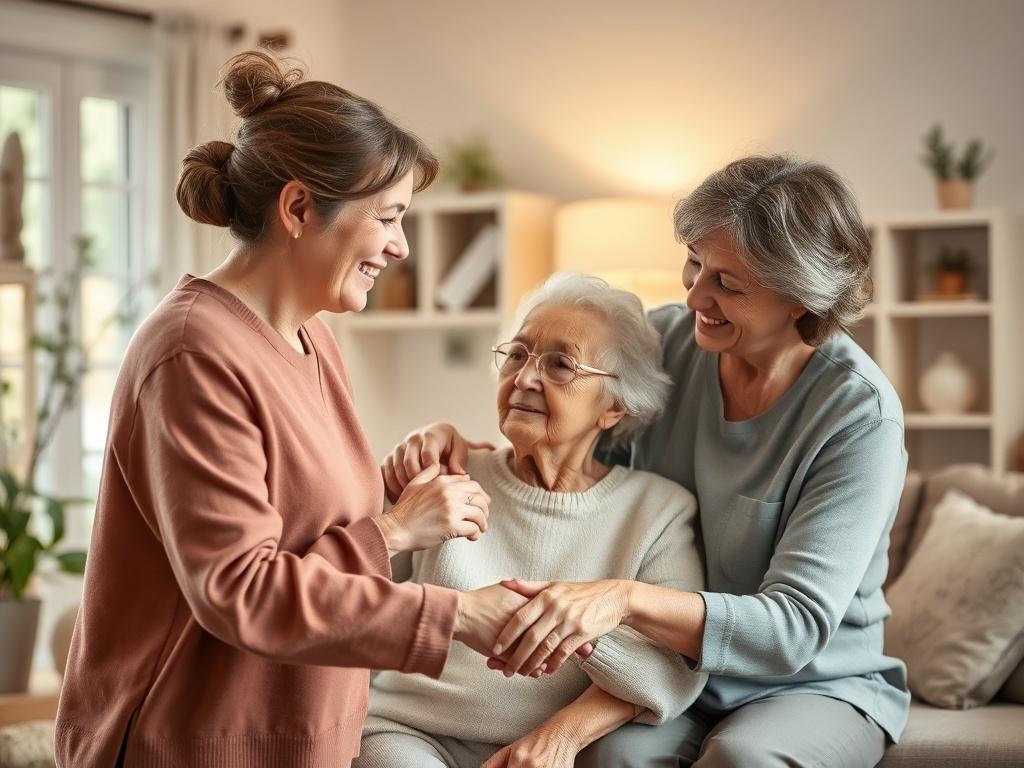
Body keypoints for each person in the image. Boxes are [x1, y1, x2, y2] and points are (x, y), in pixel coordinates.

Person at [54, 49, 525, 768]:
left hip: (301, 737)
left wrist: (398, 485)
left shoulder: (311, 336)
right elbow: (240, 587)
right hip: (191, 745)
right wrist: (422, 570)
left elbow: (296, 515)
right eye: (389, 218)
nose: (399, 246)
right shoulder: (193, 353)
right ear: (300, 207)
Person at [384, 155, 912, 767]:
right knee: (613, 759)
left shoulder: (857, 416)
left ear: (799, 296)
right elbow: (562, 433)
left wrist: (621, 599)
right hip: (676, 668)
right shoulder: (669, 342)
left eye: (728, 284)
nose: (695, 296)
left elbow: (792, 629)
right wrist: (447, 439)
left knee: (744, 761)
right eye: (694, 263)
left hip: (807, 682)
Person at [356, 273, 707, 768]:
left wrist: (560, 732)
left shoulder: (658, 510)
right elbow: (341, 596)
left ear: (614, 406)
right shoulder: (447, 475)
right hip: (410, 733)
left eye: (560, 365)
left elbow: (673, 666)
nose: (523, 378)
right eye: (517, 355)